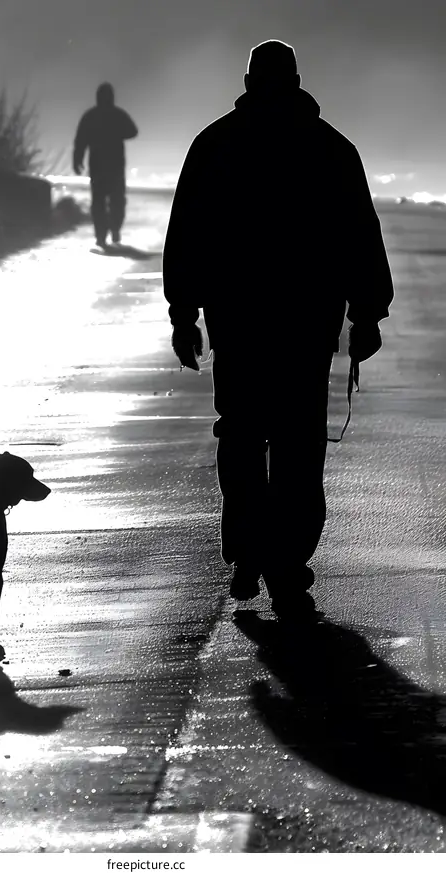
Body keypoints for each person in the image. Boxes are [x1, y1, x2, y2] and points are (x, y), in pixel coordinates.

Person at [162, 40, 394, 611]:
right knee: (297, 441)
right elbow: (359, 235)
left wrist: (183, 312)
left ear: (247, 80)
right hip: (304, 323)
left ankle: (247, 553)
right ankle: (287, 562)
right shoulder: (331, 149)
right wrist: (366, 314)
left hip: (238, 321)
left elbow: (187, 233)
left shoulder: (214, 146)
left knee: (241, 433)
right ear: (295, 80)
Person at [73, 83, 138, 249]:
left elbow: (80, 141)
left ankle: (102, 235)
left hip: (98, 165)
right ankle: (113, 229)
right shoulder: (118, 115)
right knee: (116, 200)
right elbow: (133, 131)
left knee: (99, 201)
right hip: (115, 165)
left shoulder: (90, 116)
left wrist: (77, 160)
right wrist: (118, 134)